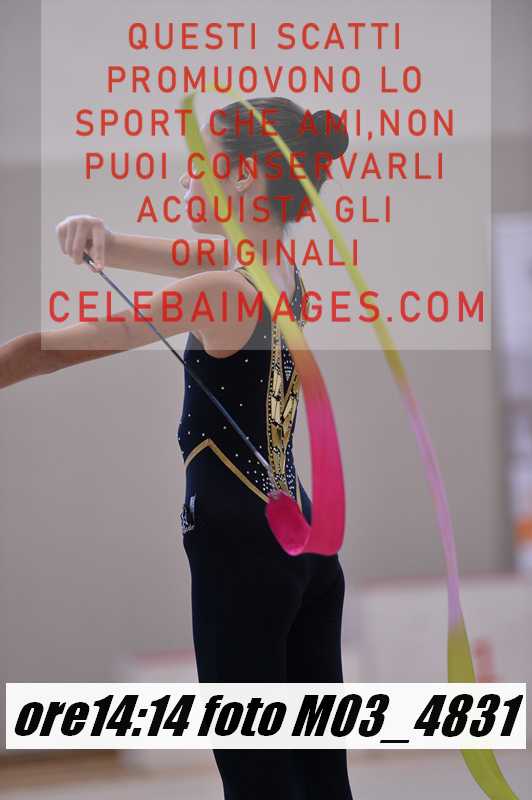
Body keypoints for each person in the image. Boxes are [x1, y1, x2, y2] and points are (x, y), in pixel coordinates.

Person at [0, 97, 353, 799]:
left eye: (200, 163)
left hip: (244, 552)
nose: (187, 178)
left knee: (256, 781)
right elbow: (143, 252)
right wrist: (99, 236)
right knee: (319, 778)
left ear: (245, 176)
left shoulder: (222, 288)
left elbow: (46, 351)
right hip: (307, 547)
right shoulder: (277, 267)